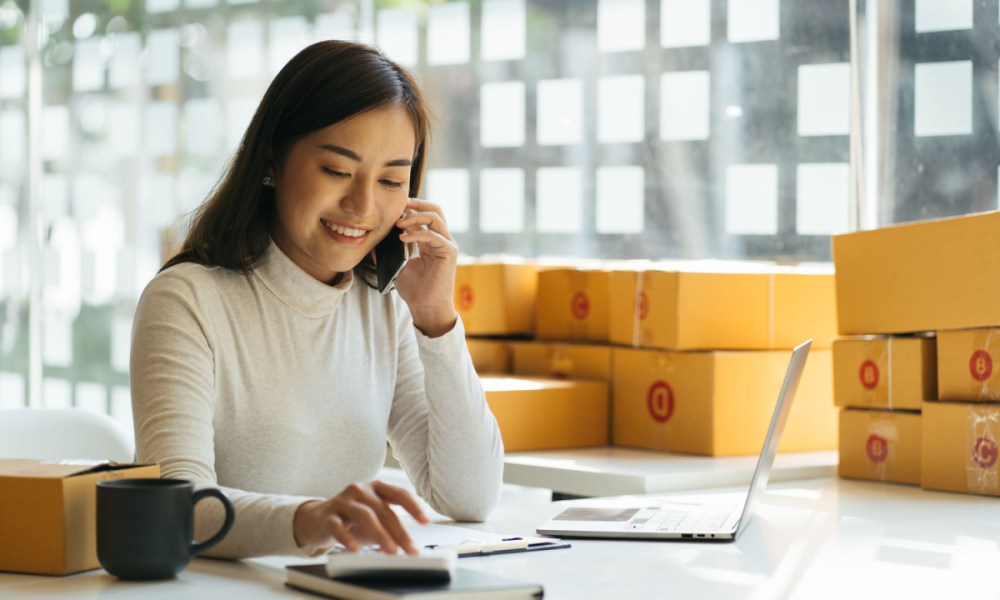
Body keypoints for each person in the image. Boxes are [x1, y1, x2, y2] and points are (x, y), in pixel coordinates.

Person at [130, 40, 504, 559]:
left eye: (392, 179)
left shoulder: (383, 306)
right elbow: (178, 507)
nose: (363, 206)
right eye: (337, 171)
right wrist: (311, 519)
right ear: (271, 161)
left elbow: (470, 496)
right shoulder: (187, 300)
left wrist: (436, 320)